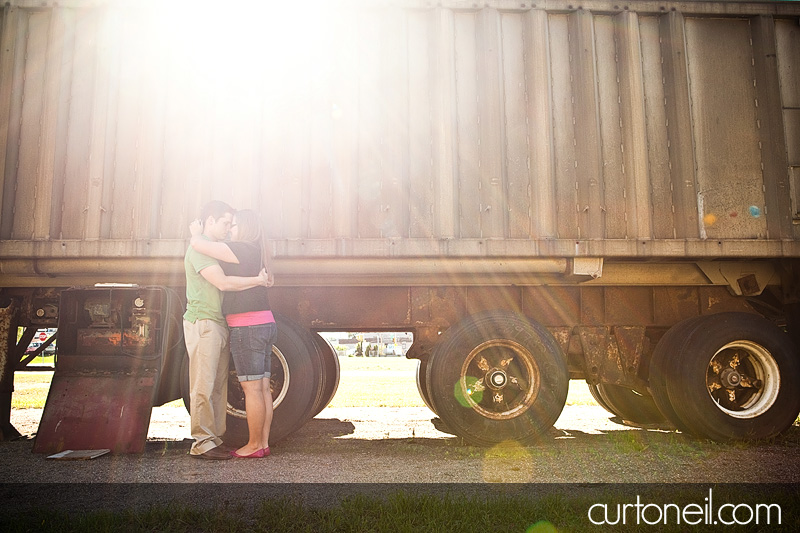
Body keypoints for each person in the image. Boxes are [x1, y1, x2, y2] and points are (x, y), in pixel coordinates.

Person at [183, 201, 270, 460]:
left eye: (232, 224)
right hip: (203, 321)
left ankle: (214, 438)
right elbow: (222, 283)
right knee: (203, 384)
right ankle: (202, 442)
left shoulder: (218, 250)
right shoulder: (200, 250)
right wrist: (257, 281)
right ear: (210, 221)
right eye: (224, 223)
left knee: (218, 385)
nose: (228, 228)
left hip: (218, 323)